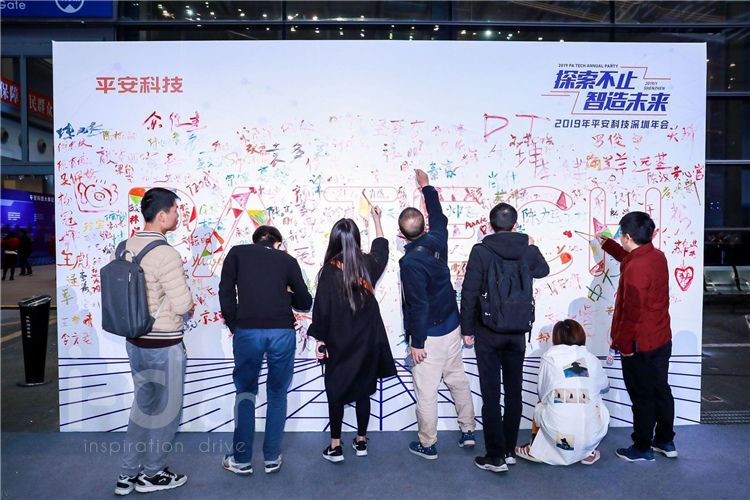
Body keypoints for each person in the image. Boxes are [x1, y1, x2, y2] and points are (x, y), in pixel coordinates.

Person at [115, 188, 194, 495]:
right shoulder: (166, 254)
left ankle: (127, 474)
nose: (177, 216)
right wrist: (189, 301)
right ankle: (153, 472)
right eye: (175, 211)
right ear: (162, 216)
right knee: (167, 410)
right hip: (163, 344)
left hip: (135, 341)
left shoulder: (124, 247)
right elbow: (182, 304)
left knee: (142, 406)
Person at [460, 202, 550, 472]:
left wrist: (467, 330)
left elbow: (469, 292)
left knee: (491, 395)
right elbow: (543, 271)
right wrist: (532, 246)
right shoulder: (526, 249)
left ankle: (495, 456)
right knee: (513, 391)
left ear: (490, 226)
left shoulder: (481, 251)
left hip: (488, 331)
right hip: (517, 330)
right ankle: (510, 449)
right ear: (515, 224)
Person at [218, 225, 312, 474]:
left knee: (245, 392)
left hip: (248, 331)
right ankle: (271, 457)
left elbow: (225, 292)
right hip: (282, 332)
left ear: (255, 241)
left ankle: (241, 460)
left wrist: (235, 324)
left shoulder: (237, 253)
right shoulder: (287, 260)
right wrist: (286, 295)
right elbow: (305, 302)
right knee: (278, 393)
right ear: (278, 243)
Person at [308, 206, 396, 462]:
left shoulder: (328, 272)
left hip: (339, 341)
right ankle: (361, 441)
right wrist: (377, 219)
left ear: (334, 240)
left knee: (335, 391)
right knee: (363, 390)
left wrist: (320, 340)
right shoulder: (368, 264)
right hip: (368, 339)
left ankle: (335, 446)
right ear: (356, 238)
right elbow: (381, 247)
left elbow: (321, 309)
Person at [399, 169, 476, 460]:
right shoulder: (437, 239)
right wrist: (426, 187)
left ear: (401, 235)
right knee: (458, 379)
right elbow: (439, 216)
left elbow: (418, 305)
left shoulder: (410, 263)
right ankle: (468, 430)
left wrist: (417, 343)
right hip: (452, 326)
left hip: (429, 336)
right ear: (424, 227)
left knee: (426, 392)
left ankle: (428, 444)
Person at [597, 211, 677, 462]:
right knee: (661, 390)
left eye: (620, 235)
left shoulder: (635, 268)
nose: (620, 238)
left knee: (642, 396)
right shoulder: (656, 256)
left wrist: (624, 345)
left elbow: (632, 312)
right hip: (661, 338)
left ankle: (642, 447)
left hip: (639, 344)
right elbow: (630, 258)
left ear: (628, 236)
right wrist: (608, 245)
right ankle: (665, 440)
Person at [514, 319, 610, 466]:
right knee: (594, 399)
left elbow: (542, 392)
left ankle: (536, 450)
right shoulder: (592, 359)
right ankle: (588, 451)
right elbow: (605, 385)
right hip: (591, 437)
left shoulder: (550, 358)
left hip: (560, 438)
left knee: (542, 404)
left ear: (556, 337)